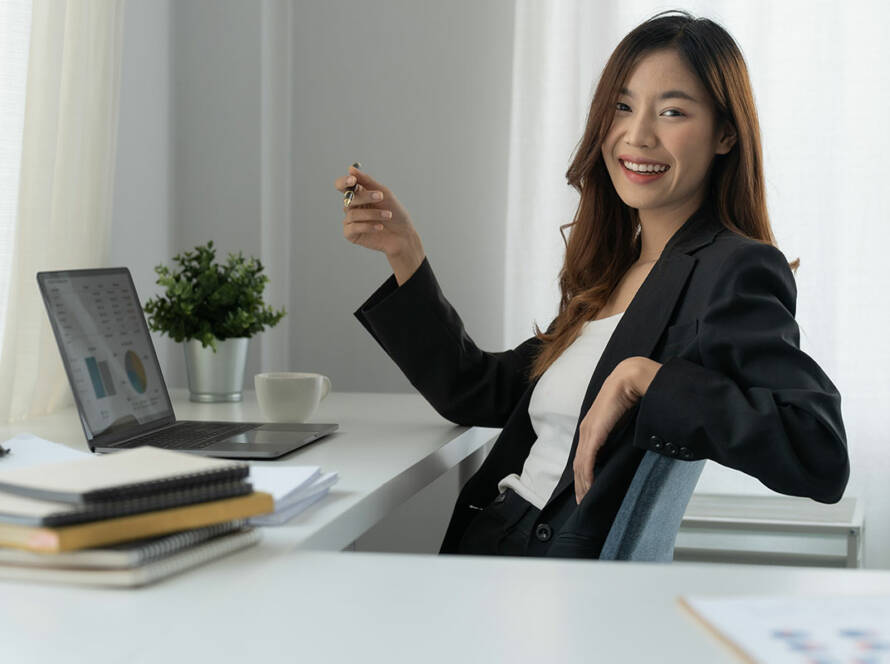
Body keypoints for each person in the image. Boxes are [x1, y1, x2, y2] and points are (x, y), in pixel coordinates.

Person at [335, 9, 849, 558]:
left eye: (672, 111)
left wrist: (646, 379)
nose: (637, 134)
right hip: (497, 543)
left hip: (545, 571)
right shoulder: (616, 273)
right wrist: (406, 254)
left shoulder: (733, 270)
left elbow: (819, 453)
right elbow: (477, 390)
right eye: (623, 107)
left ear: (725, 134)